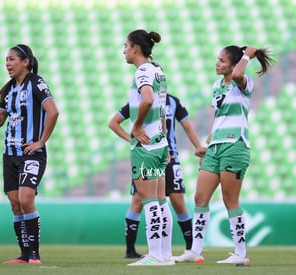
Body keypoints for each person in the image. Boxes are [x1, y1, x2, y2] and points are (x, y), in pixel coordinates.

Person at [173, 45, 274, 266]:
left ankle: (241, 253)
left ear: (234, 64)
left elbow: (238, 73)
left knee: (230, 200)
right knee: (200, 198)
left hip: (235, 146)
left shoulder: (243, 83)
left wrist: (248, 55)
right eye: (217, 59)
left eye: (222, 61)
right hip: (215, 148)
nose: (217, 63)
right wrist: (206, 144)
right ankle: (195, 251)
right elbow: (218, 117)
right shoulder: (216, 85)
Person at [0, 44, 59, 264]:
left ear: (25, 61)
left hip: (30, 153)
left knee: (26, 199)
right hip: (9, 155)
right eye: (6, 60)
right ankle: (24, 254)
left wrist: (41, 141)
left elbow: (53, 111)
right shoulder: (8, 90)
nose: (7, 64)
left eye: (12, 59)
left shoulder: (36, 83)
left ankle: (35, 255)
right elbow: (0, 120)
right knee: (15, 204)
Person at [109, 93, 202, 259]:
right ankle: (130, 251)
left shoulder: (173, 102)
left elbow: (187, 126)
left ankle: (191, 250)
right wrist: (131, 140)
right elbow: (113, 123)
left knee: (178, 202)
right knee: (138, 201)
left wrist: (199, 149)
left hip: (170, 157)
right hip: (144, 157)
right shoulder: (137, 102)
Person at [121, 29, 173, 266]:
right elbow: (163, 108)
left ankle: (153, 255)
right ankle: (165, 255)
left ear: (135, 48)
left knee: (148, 200)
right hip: (160, 142)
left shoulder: (143, 71)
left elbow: (149, 99)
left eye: (125, 46)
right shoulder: (158, 70)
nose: (123, 51)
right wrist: (166, 141)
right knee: (162, 201)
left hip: (146, 145)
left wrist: (137, 126)